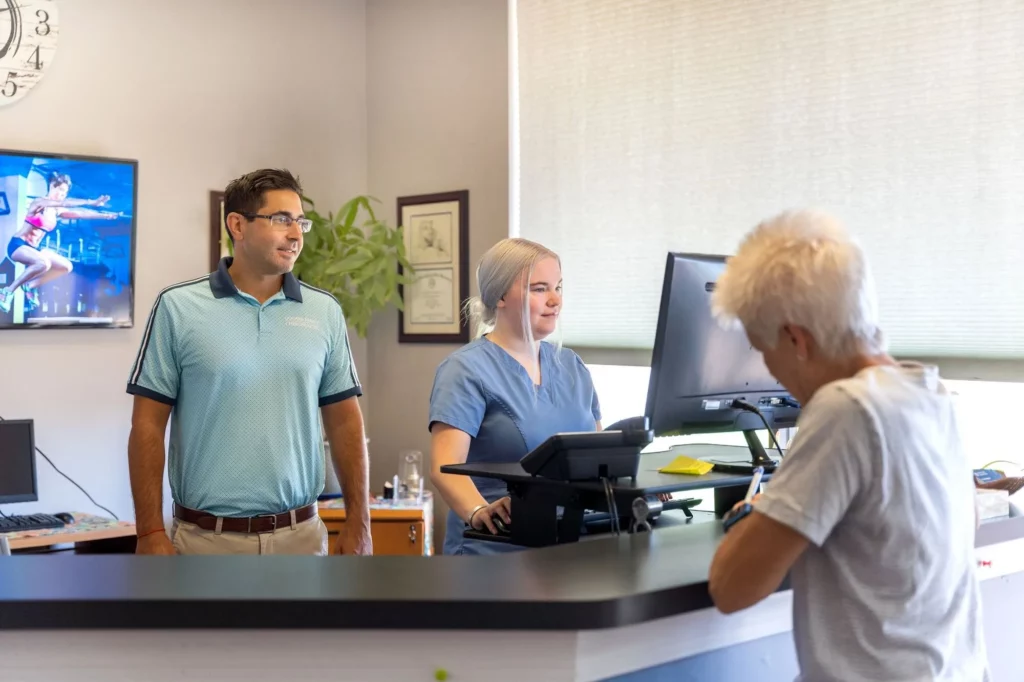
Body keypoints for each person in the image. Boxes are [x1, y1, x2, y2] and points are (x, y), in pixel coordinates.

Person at [707, 209, 988, 681]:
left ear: (796, 338)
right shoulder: (934, 396)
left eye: (765, 350)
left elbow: (733, 587)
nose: (771, 373)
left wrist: (762, 512)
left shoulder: (846, 408)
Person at [126, 168, 372, 556]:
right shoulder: (178, 307)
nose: (296, 235)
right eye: (281, 220)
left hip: (302, 539)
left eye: (300, 222)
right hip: (204, 542)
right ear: (237, 225)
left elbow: (345, 421)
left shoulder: (324, 311)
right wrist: (149, 531)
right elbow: (147, 425)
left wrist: (360, 521)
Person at [428, 238, 602, 555]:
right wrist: (479, 512)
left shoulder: (571, 366)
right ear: (501, 296)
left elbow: (602, 456)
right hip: (496, 547)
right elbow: (444, 467)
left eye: (558, 287)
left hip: (574, 546)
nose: (555, 300)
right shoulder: (465, 370)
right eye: (539, 289)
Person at [0, 171, 118, 313]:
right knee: (44, 263)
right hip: (18, 246)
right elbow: (65, 203)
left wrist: (104, 216)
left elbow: (80, 213)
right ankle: (7, 291)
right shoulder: (39, 202)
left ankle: (30, 286)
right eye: (60, 190)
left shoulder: (55, 211)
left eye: (65, 192)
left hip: (34, 250)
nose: (62, 194)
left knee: (66, 267)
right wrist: (90, 201)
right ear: (52, 186)